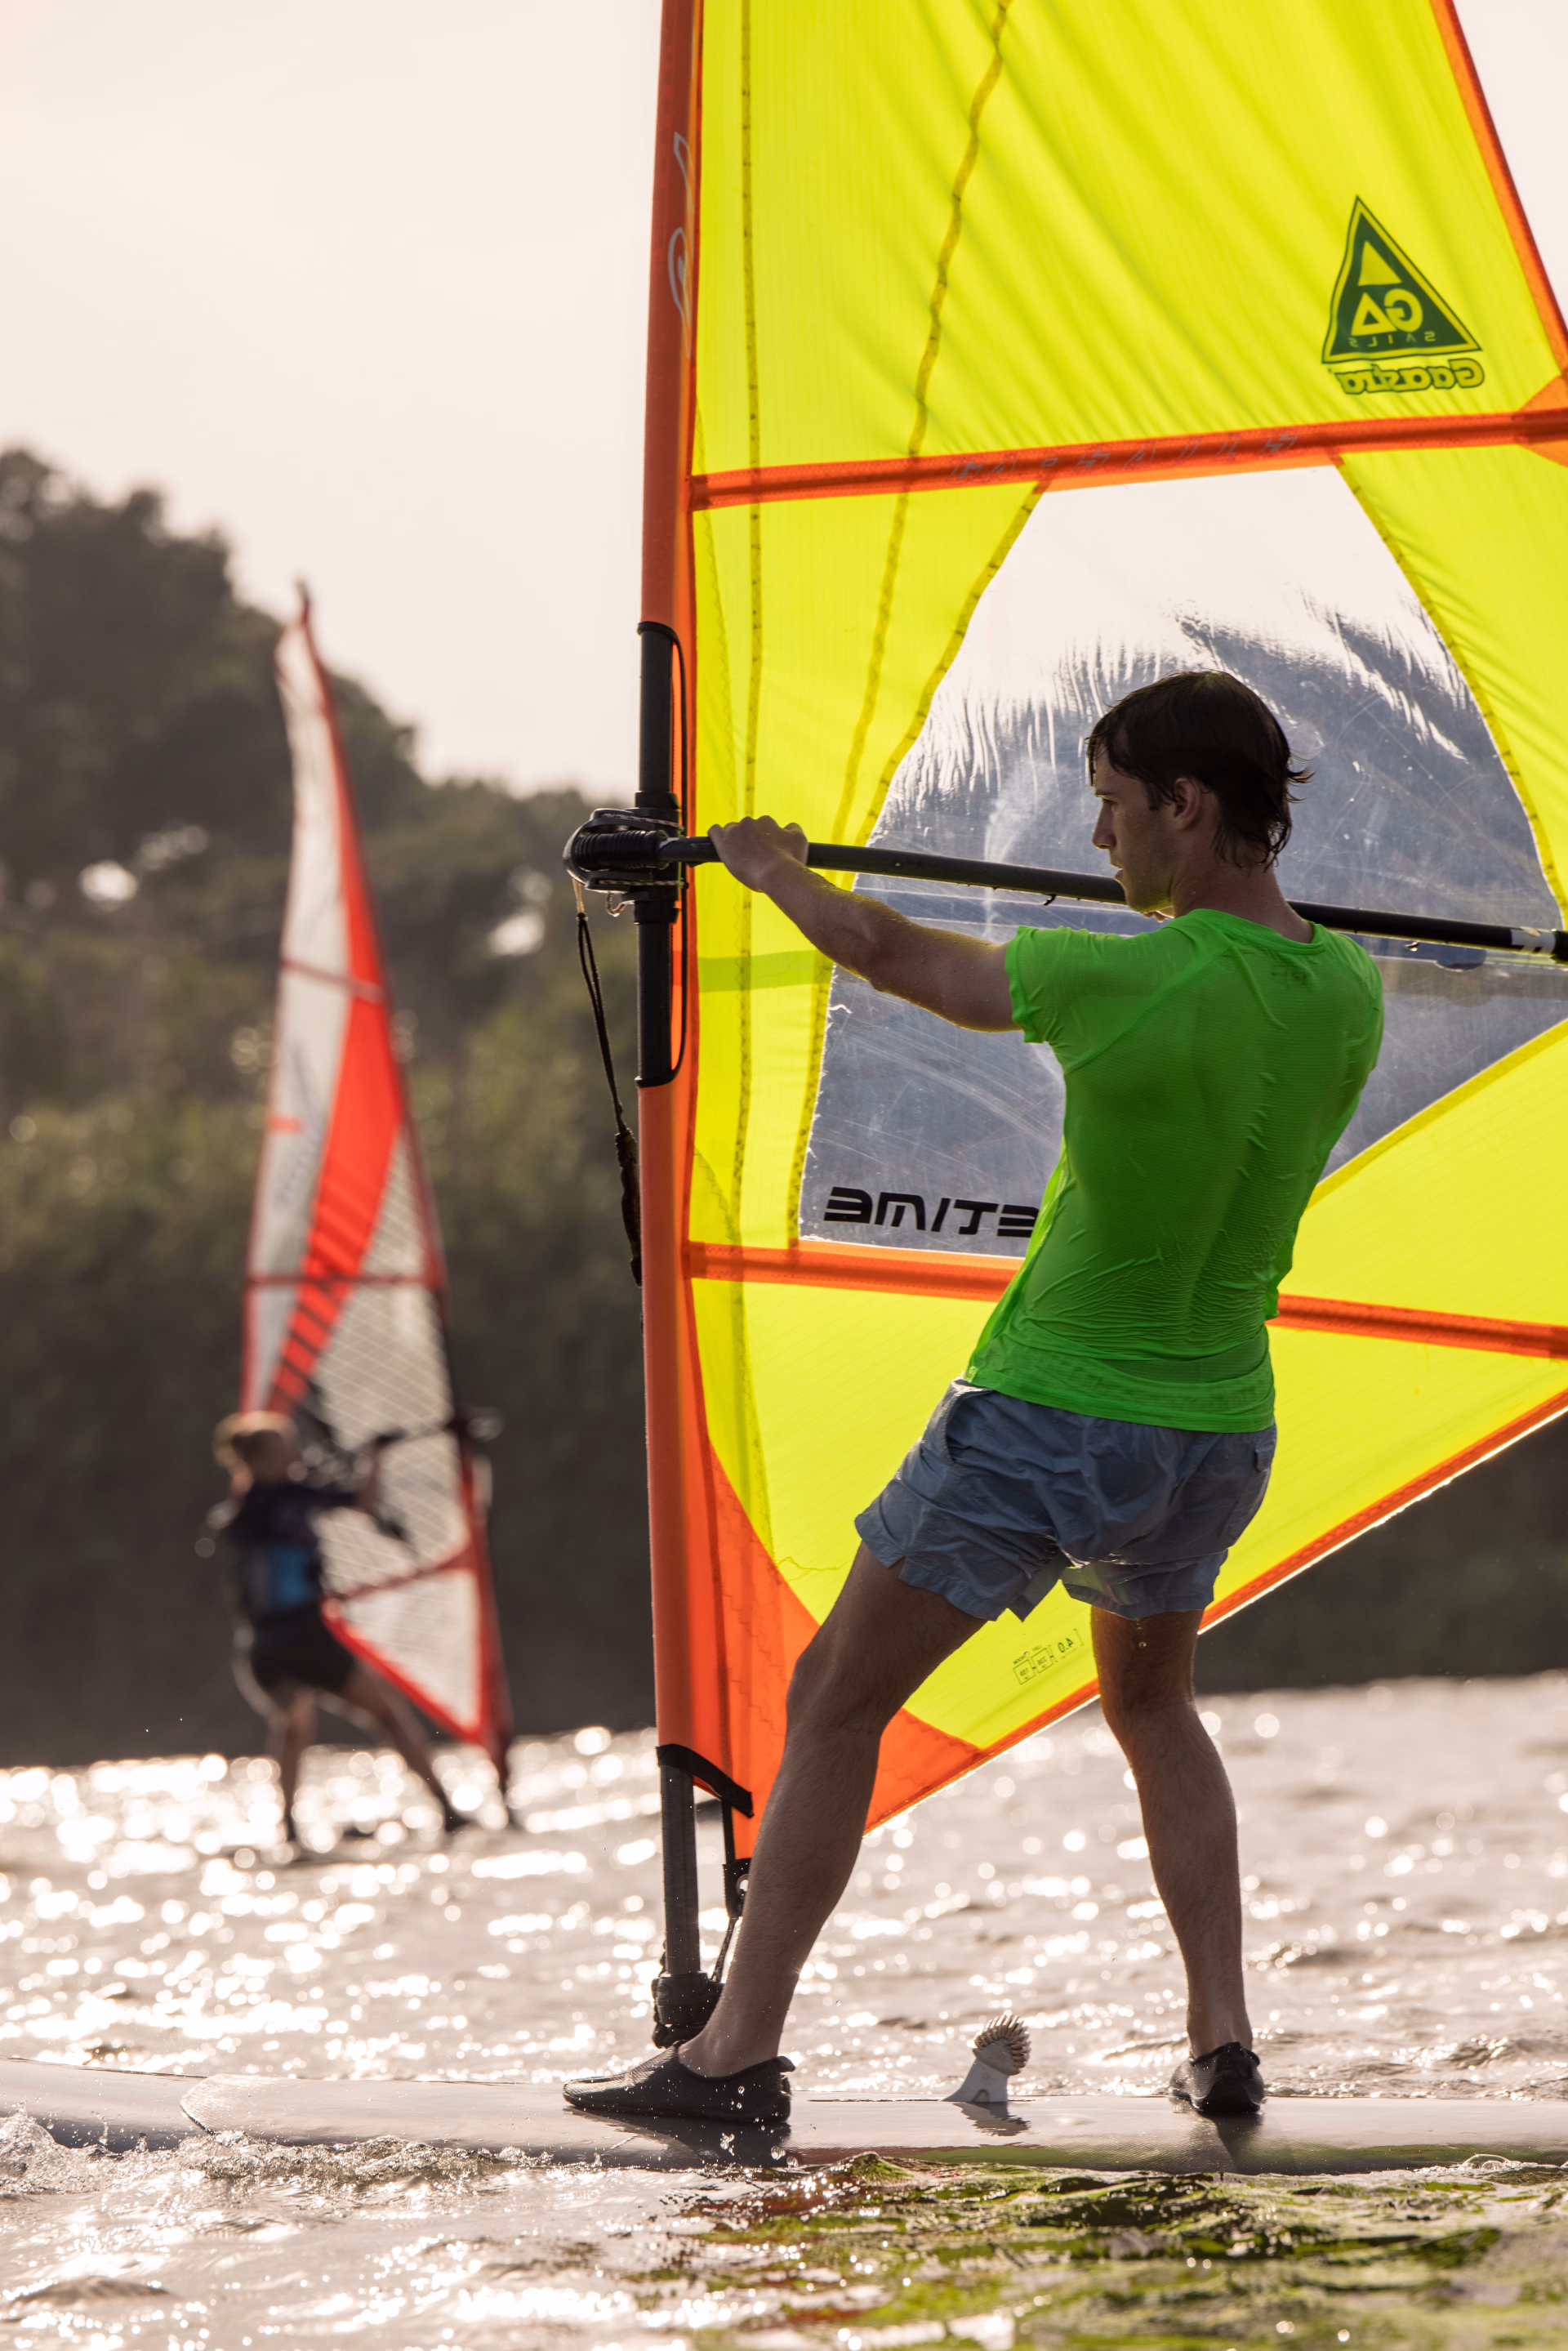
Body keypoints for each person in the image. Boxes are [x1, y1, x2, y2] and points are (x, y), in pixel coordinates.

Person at [567, 670, 1384, 2127]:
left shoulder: (1120, 975)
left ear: (1189, 807)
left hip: (1051, 1414)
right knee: (1155, 1703)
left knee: (834, 1697)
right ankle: (1223, 2037)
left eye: (1117, 807)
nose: (1096, 838)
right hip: (1213, 1432)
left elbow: (891, 951)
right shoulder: (1348, 991)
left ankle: (728, 2054)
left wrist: (770, 872)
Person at [212, 1411, 472, 1849]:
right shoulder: (291, 1495)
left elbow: (268, 1507)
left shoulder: (242, 1508)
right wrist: (375, 1455)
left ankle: (288, 1830)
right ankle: (446, 1808)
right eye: (286, 1446)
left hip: (261, 1648)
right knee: (388, 1715)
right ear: (262, 1457)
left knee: (293, 1729)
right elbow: (363, 1503)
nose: (295, 1453)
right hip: (304, 1637)